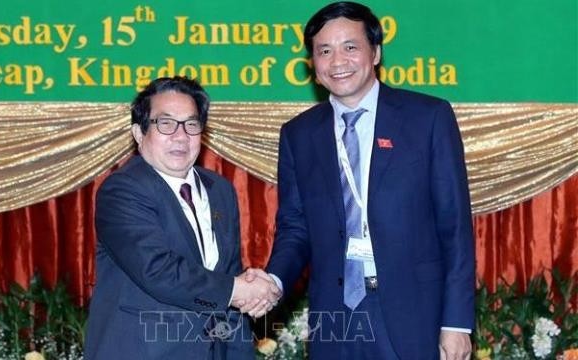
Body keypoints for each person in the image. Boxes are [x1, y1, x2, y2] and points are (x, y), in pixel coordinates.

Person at [265, 2, 475, 359]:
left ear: (375, 53)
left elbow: (454, 227)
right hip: (334, 317)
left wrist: (456, 323)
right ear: (312, 66)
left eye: (350, 47)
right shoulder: (299, 135)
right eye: (324, 51)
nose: (338, 61)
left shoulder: (428, 118)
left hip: (414, 313)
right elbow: (295, 228)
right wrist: (273, 281)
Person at [84, 76, 280, 359]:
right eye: (165, 124)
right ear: (139, 133)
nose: (180, 136)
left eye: (191, 124)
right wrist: (237, 290)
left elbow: (227, 282)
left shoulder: (220, 190)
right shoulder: (122, 189)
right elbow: (157, 269)